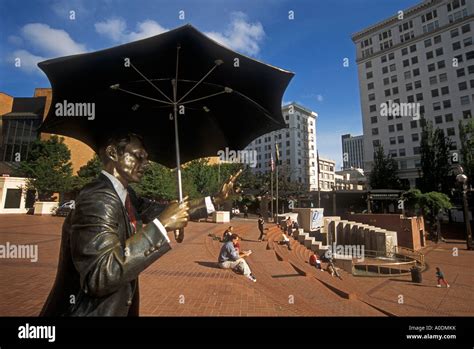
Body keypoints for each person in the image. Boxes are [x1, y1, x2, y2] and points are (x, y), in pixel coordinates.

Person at [40, 132, 241, 316]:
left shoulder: (126, 195)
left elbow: (160, 210)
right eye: (139, 156)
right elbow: (100, 275)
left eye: (147, 158)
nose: (146, 164)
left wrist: (216, 199)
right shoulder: (98, 198)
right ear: (112, 153)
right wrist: (162, 226)